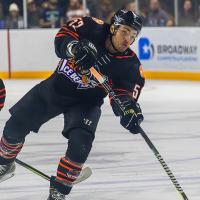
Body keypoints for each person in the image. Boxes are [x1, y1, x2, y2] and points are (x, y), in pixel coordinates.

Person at [0, 9, 145, 200]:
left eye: (133, 35)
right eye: (125, 31)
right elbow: (63, 37)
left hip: (87, 103)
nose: (128, 39)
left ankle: (59, 192)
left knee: (80, 147)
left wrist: (128, 110)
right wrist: (74, 48)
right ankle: (5, 163)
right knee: (14, 128)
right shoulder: (91, 27)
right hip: (56, 88)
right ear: (114, 28)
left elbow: (123, 95)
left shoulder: (131, 65)